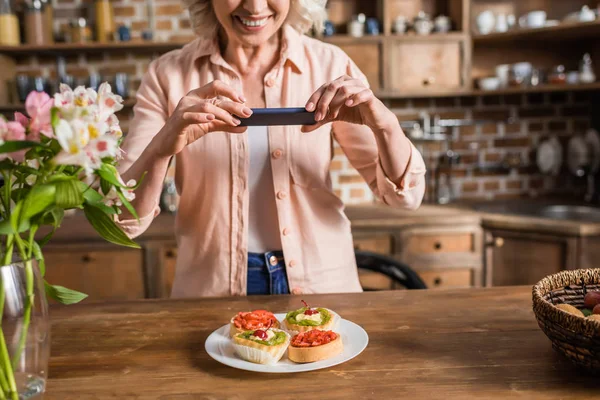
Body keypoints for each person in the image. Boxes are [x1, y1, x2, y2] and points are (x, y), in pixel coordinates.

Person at [117, 0, 427, 298]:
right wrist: (161, 148)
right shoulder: (167, 75)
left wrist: (385, 124)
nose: (255, 7)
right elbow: (121, 222)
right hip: (210, 288)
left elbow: (405, 198)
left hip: (323, 282)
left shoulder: (330, 64)